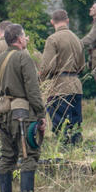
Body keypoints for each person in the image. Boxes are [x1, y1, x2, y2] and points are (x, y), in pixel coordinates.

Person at [0, 24, 45, 192]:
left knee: (7, 156)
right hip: (21, 113)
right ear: (20, 39)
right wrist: (41, 113)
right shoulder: (23, 57)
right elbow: (33, 90)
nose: (26, 38)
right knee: (28, 154)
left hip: (3, 113)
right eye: (25, 36)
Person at [39, 10, 85, 144]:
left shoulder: (53, 39)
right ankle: (77, 151)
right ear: (68, 20)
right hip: (76, 86)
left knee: (60, 124)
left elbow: (47, 67)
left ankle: (64, 152)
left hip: (59, 86)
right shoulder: (77, 39)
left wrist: (41, 80)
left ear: (52, 22)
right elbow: (82, 66)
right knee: (75, 124)